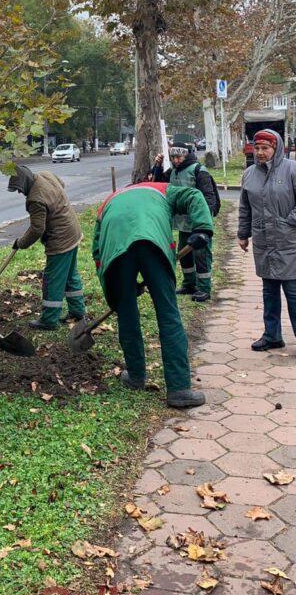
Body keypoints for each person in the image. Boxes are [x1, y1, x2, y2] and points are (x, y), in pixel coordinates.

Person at [92, 181, 213, 407]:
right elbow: (195, 195)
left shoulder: (108, 201)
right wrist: (203, 228)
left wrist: (118, 293)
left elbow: (98, 253)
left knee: (126, 314)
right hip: (153, 244)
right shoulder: (163, 189)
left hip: (116, 248)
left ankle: (136, 377)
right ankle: (179, 389)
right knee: (168, 314)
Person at [238, 129, 296, 351]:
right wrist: (243, 234)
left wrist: (288, 222)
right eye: (257, 148)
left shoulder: (292, 169)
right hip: (263, 243)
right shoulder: (250, 173)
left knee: (293, 293)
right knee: (269, 292)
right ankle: (272, 336)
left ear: (276, 148)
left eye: (265, 148)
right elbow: (245, 207)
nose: (260, 152)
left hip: (289, 243)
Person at [8, 165, 86, 330]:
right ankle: (78, 312)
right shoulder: (46, 174)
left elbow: (37, 229)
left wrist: (21, 243)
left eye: (19, 189)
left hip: (60, 239)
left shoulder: (35, 199)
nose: (19, 193)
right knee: (70, 275)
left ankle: (49, 320)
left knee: (52, 280)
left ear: (25, 183)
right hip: (73, 230)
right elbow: (61, 185)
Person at [151, 146, 219, 302]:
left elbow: (209, 196)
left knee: (201, 255)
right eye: (173, 157)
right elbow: (158, 184)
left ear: (187, 155)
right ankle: (189, 284)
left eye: (179, 157)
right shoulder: (173, 171)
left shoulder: (199, 171)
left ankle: (204, 288)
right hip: (183, 223)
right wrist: (157, 166)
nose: (176, 160)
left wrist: (205, 222)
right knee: (184, 254)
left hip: (198, 223)